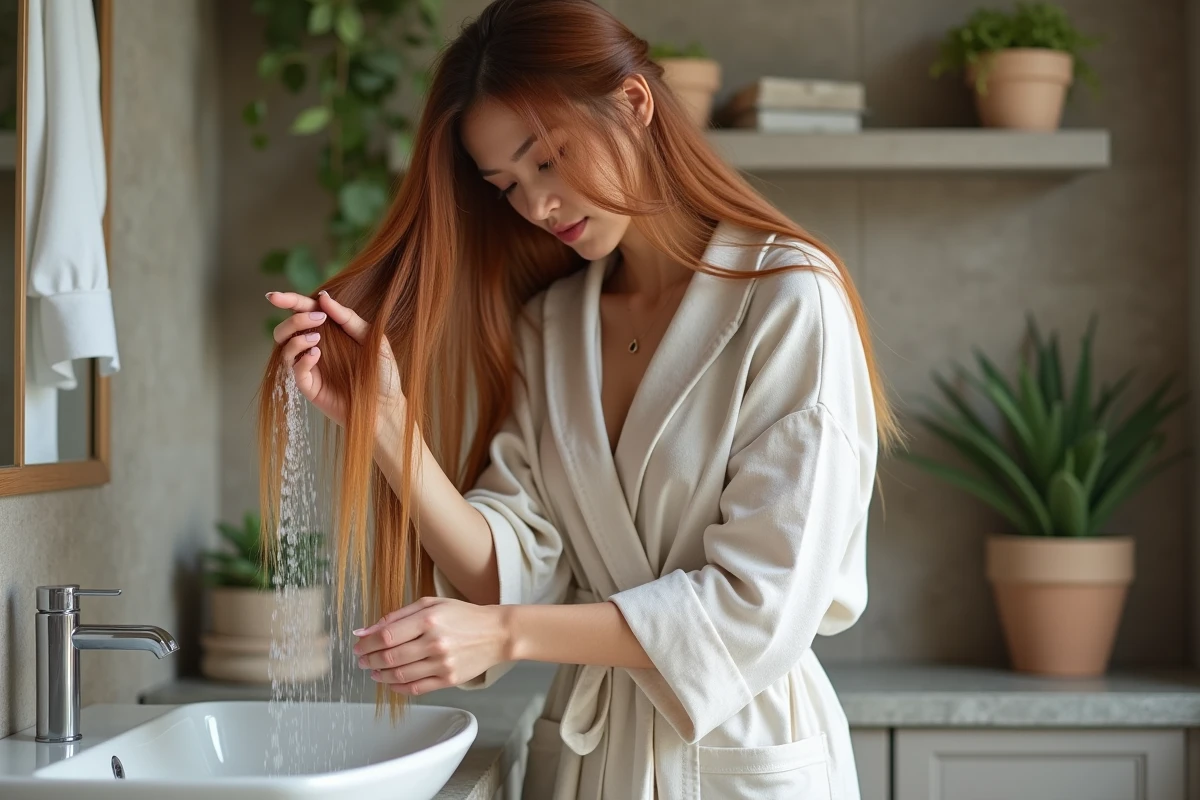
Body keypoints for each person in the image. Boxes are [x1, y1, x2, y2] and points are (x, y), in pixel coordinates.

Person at [260, 0, 898, 797]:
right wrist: (385, 425)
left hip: (740, 749)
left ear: (633, 104)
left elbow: (759, 603)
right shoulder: (553, 326)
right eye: (506, 185)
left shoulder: (790, 300)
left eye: (548, 160)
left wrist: (506, 634)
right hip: (588, 758)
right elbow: (513, 568)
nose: (535, 205)